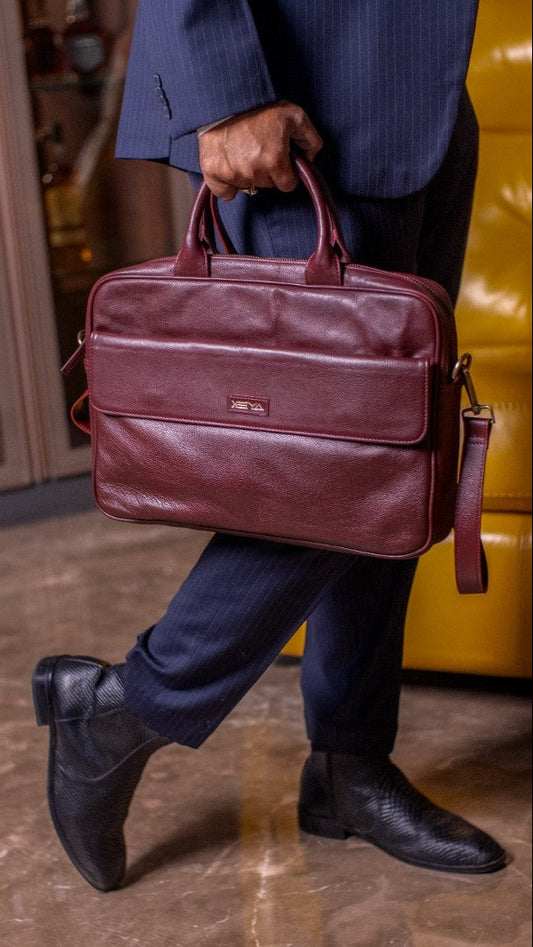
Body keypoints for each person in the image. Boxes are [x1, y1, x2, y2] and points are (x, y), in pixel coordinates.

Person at [32, 0, 507, 892]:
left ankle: (347, 767)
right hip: (296, 98)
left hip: (420, 95)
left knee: (392, 457)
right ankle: (122, 709)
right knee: (331, 465)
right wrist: (226, 91)